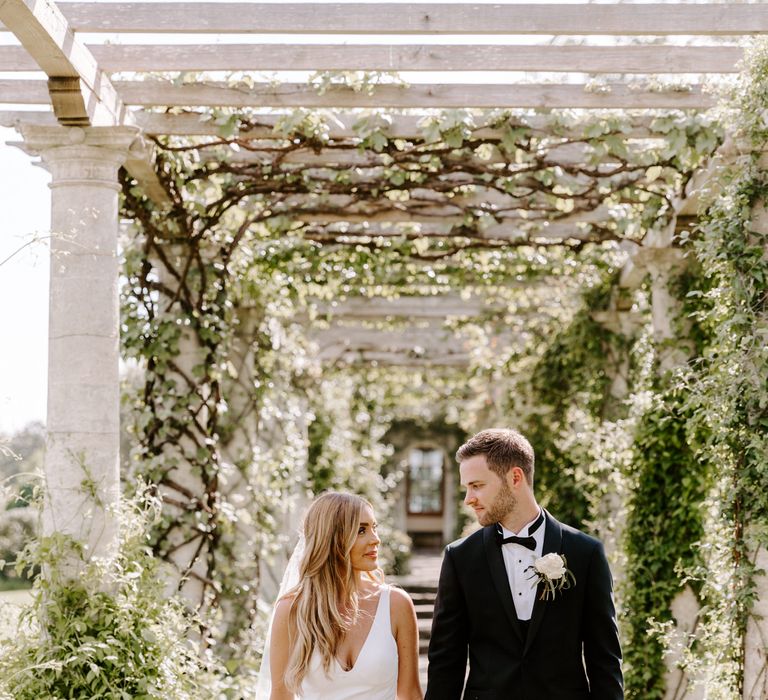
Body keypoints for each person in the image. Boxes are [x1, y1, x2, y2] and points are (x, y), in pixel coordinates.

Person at [425, 428, 623, 700]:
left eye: (477, 485)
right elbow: (446, 661)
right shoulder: (460, 558)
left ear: (515, 477)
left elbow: (605, 659)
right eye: (467, 487)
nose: (468, 499)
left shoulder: (585, 553)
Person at [265, 491, 423, 700]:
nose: (375, 539)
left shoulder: (396, 604)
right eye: (361, 530)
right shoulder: (292, 609)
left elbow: (410, 694)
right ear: (331, 538)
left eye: (374, 528)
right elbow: (281, 695)